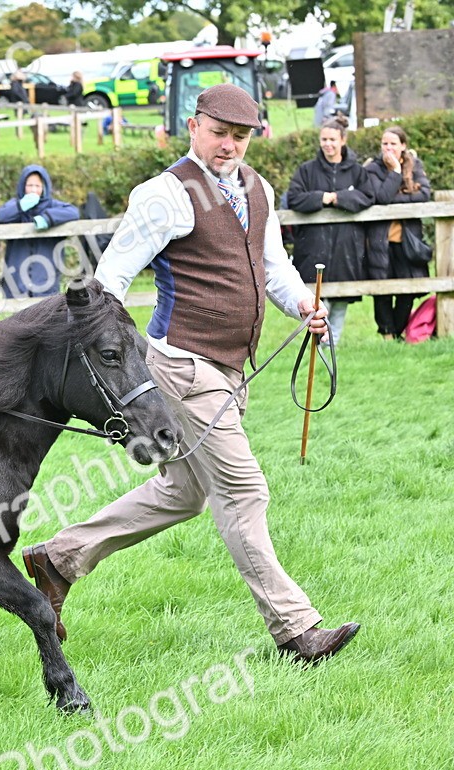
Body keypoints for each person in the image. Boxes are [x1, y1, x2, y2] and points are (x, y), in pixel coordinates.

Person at [20, 84, 360, 665]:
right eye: (220, 132)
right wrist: (109, 358)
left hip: (232, 368)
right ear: (195, 127)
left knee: (183, 493)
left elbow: (272, 268)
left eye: (241, 135)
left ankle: (59, 557)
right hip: (181, 366)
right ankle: (296, 629)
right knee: (243, 490)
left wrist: (304, 305)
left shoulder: (258, 188)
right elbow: (111, 279)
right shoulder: (164, 194)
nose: (229, 145)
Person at [285, 117, 374, 345]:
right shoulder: (306, 171)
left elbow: (368, 196)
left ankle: (335, 344)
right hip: (314, 246)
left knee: (341, 300)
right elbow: (294, 198)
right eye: (324, 139)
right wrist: (321, 198)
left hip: (346, 248)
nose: (328, 144)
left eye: (332, 139)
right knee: (317, 299)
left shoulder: (356, 172)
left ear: (342, 140)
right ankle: (318, 344)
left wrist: (338, 197)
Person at [364, 125, 432, 340]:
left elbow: (425, 194)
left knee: (408, 288)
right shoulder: (372, 168)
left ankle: (398, 330)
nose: (388, 148)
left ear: (403, 146)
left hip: (407, 241)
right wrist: (394, 173)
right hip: (379, 241)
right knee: (382, 289)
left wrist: (396, 198)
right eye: (385, 143)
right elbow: (381, 197)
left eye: (393, 143)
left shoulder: (414, 165)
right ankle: (387, 334)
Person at [0, 164, 80, 298]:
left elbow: (74, 212)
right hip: (16, 278)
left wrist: (48, 218)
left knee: (46, 314)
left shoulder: (54, 205)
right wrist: (21, 206)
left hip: (45, 277)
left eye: (37, 186)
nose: (33, 190)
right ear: (23, 186)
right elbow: (1, 216)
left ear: (44, 187)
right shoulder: (15, 204)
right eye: (29, 185)